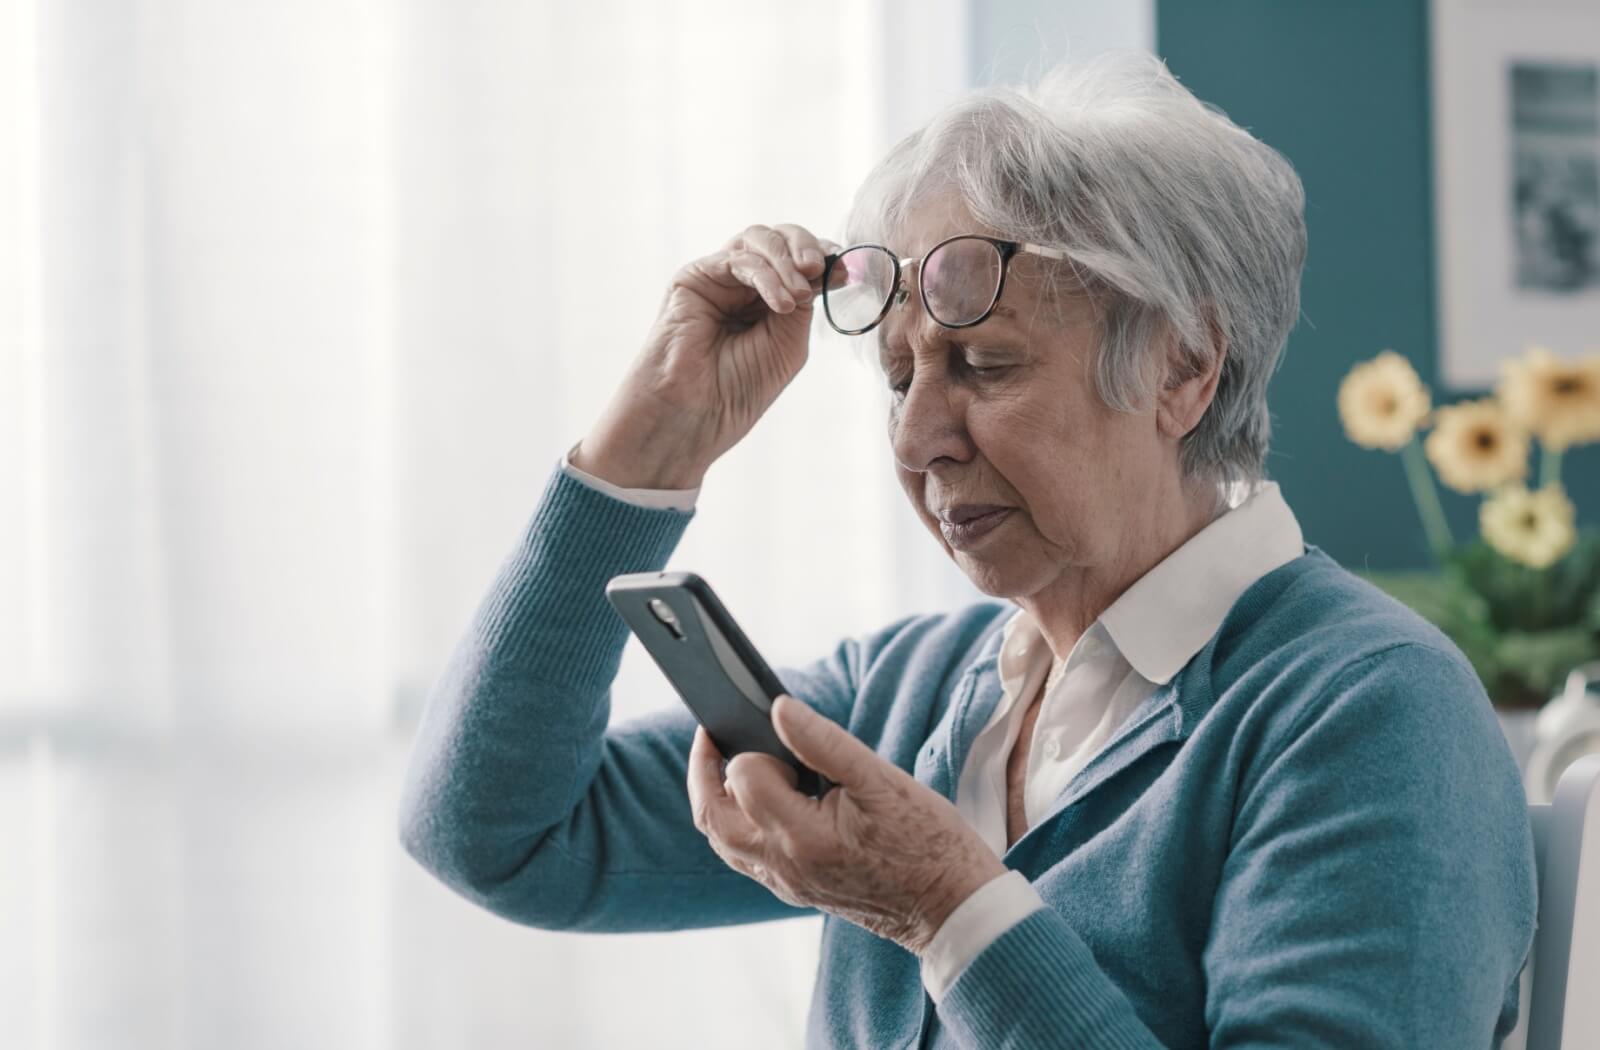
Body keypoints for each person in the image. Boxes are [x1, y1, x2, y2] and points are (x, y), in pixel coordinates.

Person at [397, 50, 1536, 1048]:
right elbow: (494, 834)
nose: (913, 437)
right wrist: (644, 447)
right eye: (897, 378)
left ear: (1183, 369)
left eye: (982, 365)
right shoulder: (911, 693)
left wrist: (948, 910)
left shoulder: (1370, 714)